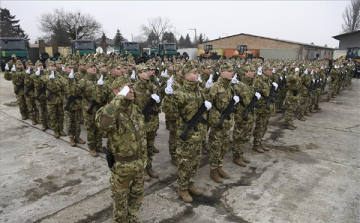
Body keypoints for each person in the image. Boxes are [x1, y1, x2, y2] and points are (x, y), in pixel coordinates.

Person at [96, 76, 147, 223]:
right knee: (120, 202)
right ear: (115, 92)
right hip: (122, 167)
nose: (130, 90)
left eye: (131, 88)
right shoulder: (109, 112)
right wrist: (119, 98)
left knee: (137, 197)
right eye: (125, 88)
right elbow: (103, 124)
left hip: (139, 164)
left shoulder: (135, 110)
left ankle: (133, 218)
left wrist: (145, 159)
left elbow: (141, 138)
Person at [164, 63, 211, 202]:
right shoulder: (180, 93)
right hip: (186, 135)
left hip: (199, 134)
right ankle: (182, 188)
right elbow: (170, 113)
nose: (197, 74)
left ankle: (190, 184)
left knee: (195, 161)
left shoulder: (199, 91)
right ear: (186, 76)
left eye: (197, 72)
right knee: (185, 162)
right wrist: (168, 97)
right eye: (194, 73)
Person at [207, 62, 238, 183]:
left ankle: (219, 167)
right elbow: (207, 104)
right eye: (229, 71)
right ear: (222, 72)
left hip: (227, 121)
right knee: (216, 146)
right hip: (217, 122)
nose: (232, 73)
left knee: (224, 146)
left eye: (232, 71)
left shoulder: (229, 87)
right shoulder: (215, 86)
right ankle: (213, 170)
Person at [133, 63, 161, 181]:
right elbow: (131, 108)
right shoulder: (134, 88)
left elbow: (159, 105)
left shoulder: (153, 87)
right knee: (141, 148)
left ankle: (149, 167)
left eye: (148, 70)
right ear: (139, 74)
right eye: (144, 71)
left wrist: (158, 100)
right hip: (141, 123)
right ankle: (142, 169)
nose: (148, 72)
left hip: (152, 122)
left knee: (150, 148)